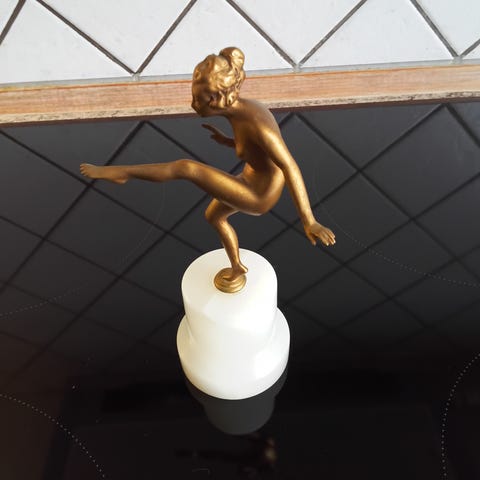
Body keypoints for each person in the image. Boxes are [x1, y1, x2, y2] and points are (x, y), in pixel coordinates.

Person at [80, 47, 335, 292]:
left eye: (196, 99)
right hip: (250, 179)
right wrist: (229, 141)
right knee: (213, 216)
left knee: (186, 168)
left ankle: (123, 173)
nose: (193, 105)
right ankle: (237, 267)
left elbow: (289, 165)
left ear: (213, 100)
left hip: (259, 195)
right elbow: (257, 150)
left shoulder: (257, 125)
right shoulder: (245, 109)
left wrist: (309, 220)